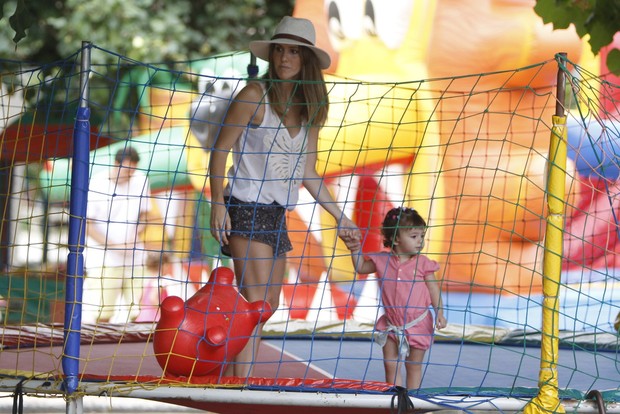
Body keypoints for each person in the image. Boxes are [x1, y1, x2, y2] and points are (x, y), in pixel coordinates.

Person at [208, 16, 360, 378]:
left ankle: (231, 373)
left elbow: (308, 172)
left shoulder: (310, 111)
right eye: (280, 50)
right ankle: (236, 384)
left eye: (294, 51)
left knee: (268, 305)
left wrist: (341, 217)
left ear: (306, 59)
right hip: (244, 207)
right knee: (256, 304)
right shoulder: (252, 95)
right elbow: (219, 150)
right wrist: (217, 204)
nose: (285, 58)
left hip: (276, 214)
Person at [343, 207, 447, 389]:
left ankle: (413, 401)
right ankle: (395, 399)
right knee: (390, 364)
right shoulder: (381, 261)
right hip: (391, 324)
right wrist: (355, 249)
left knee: (413, 366)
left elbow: (433, 289)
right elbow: (361, 267)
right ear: (396, 239)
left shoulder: (423, 263)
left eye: (421, 236)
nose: (420, 241)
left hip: (418, 323)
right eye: (414, 237)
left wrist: (440, 312)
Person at [83, 146, 152, 324]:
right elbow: (87, 225)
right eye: (127, 169)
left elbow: (145, 214)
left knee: (137, 311)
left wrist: (136, 233)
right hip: (103, 259)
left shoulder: (141, 180)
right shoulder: (97, 183)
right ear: (116, 164)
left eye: (133, 170)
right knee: (103, 313)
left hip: (134, 257)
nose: (130, 174)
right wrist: (114, 245)